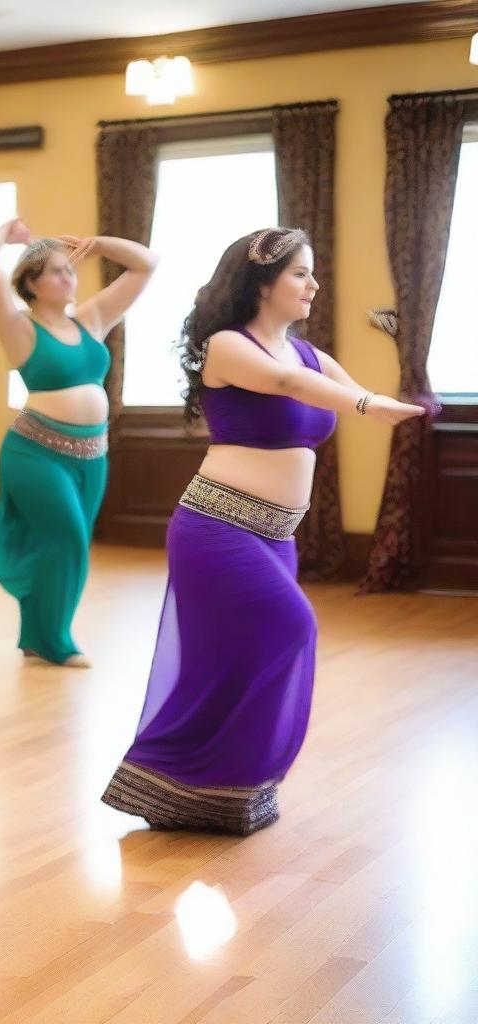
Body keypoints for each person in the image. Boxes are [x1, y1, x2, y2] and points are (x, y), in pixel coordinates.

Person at [102, 227, 425, 834]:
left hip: (278, 535)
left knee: (237, 656)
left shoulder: (309, 353)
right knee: (292, 625)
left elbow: (335, 385)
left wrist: (384, 397)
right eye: (301, 273)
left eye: (311, 273)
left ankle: (216, 790)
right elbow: (288, 386)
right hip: (216, 527)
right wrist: (364, 404)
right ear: (262, 283)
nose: (313, 284)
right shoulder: (229, 345)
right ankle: (187, 770)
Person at [0, 222, 157, 666]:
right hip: (35, 454)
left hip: (92, 455)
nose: (68, 277)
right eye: (55, 271)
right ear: (31, 283)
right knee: (67, 538)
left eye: (70, 270)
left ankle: (36, 635)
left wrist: (97, 244)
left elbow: (146, 265)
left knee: (68, 544)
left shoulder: (91, 319)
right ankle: (57, 640)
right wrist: (4, 235)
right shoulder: (19, 329)